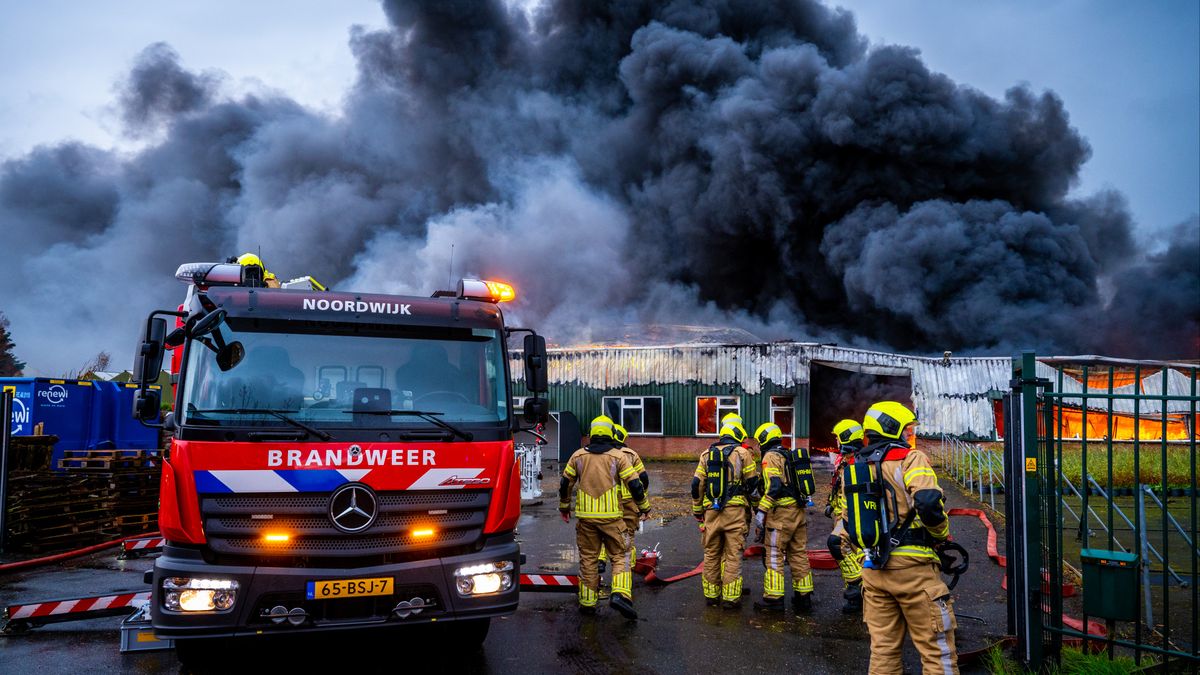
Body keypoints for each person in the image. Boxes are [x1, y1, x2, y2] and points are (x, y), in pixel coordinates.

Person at [845, 402, 958, 674]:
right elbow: (928, 503)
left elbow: (848, 521)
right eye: (906, 429)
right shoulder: (911, 458)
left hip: (874, 571)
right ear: (891, 427)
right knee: (937, 652)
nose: (910, 434)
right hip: (914, 571)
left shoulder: (856, 465)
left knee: (883, 651)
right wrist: (941, 535)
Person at [560, 415, 651, 619]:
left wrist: (564, 507)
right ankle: (620, 595)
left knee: (588, 558)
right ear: (611, 433)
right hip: (612, 519)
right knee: (621, 555)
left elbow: (565, 484)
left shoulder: (577, 456)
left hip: (586, 519)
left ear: (591, 433)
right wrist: (644, 507)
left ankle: (587, 603)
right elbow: (636, 484)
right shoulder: (618, 457)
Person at [691, 417, 759, 608]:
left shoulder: (706, 454)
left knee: (711, 553)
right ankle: (730, 599)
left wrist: (698, 510)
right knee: (733, 555)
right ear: (737, 435)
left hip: (711, 512)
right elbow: (752, 485)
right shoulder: (743, 453)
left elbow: (696, 485)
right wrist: (757, 508)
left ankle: (711, 596)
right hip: (735, 513)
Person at [751, 422, 814, 614]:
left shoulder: (770, 457)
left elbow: (775, 486)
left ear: (764, 440)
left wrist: (762, 510)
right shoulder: (788, 454)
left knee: (774, 555)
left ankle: (774, 600)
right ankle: (803, 598)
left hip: (780, 515)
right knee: (798, 554)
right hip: (798, 512)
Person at [597, 423, 649, 582]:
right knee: (628, 536)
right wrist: (642, 502)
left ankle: (601, 559)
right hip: (629, 503)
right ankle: (628, 569)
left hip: (609, 501)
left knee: (605, 532)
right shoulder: (631, 454)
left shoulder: (603, 454)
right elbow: (643, 478)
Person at [826, 419, 867, 613]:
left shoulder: (861, 461)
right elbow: (838, 486)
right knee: (849, 553)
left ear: (846, 437)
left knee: (838, 544)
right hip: (841, 514)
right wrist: (830, 503)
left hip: (855, 516)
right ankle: (856, 598)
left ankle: (858, 585)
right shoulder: (843, 460)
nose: (836, 441)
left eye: (838, 437)